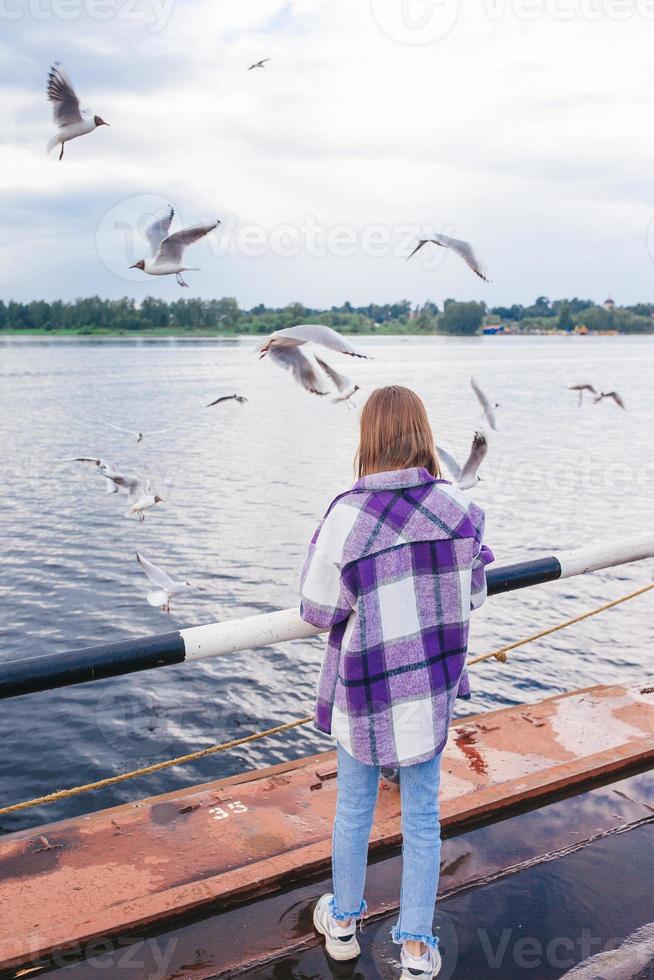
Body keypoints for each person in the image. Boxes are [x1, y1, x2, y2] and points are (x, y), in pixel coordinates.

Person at [299, 385, 494, 979]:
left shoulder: (349, 514)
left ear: (369, 441)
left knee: (354, 808)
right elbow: (475, 594)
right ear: (423, 435)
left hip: (366, 691)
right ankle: (414, 948)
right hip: (430, 691)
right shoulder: (458, 507)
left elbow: (316, 609)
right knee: (422, 817)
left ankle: (344, 924)